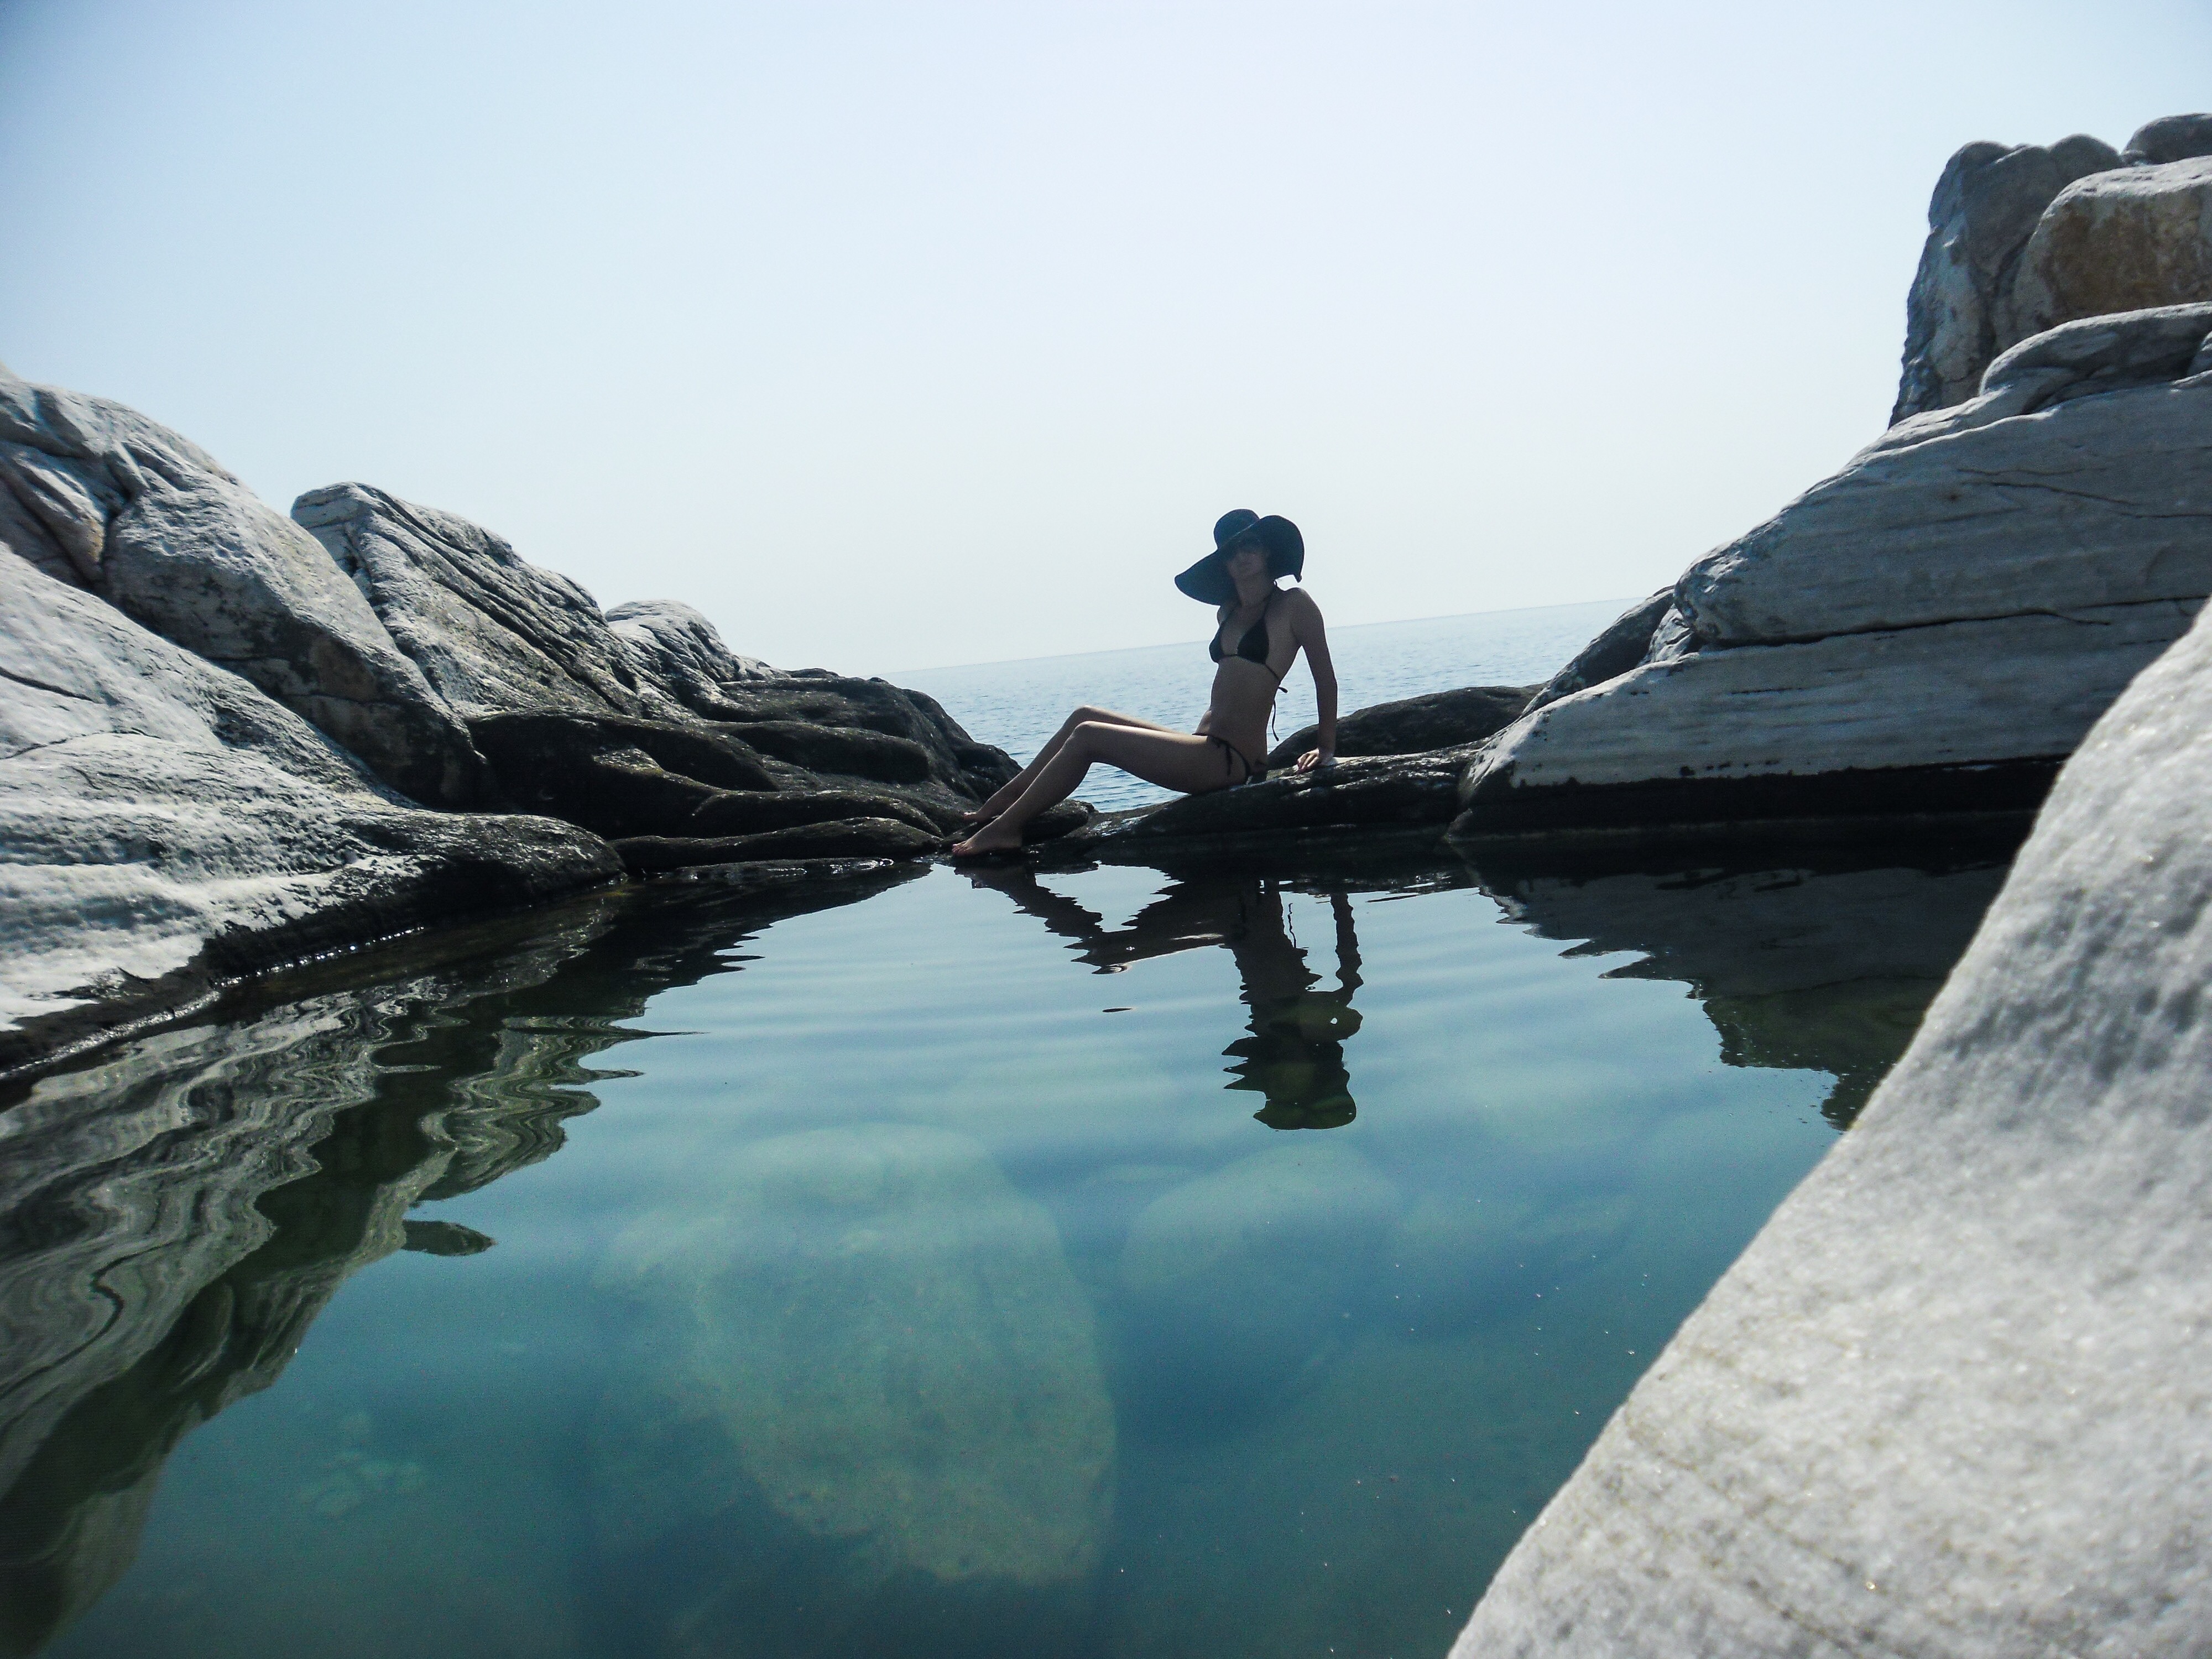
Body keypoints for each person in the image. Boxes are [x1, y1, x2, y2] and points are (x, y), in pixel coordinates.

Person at [949, 509, 1338, 857]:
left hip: (1232, 761)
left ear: (1267, 549)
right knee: (1083, 714)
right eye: (1230, 551)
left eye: (1249, 544)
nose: (1241, 556)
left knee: (1088, 737)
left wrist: (1325, 748)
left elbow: (1326, 679)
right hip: (1204, 744)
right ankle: (1001, 803)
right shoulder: (1227, 612)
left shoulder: (1294, 605)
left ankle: (1006, 829)